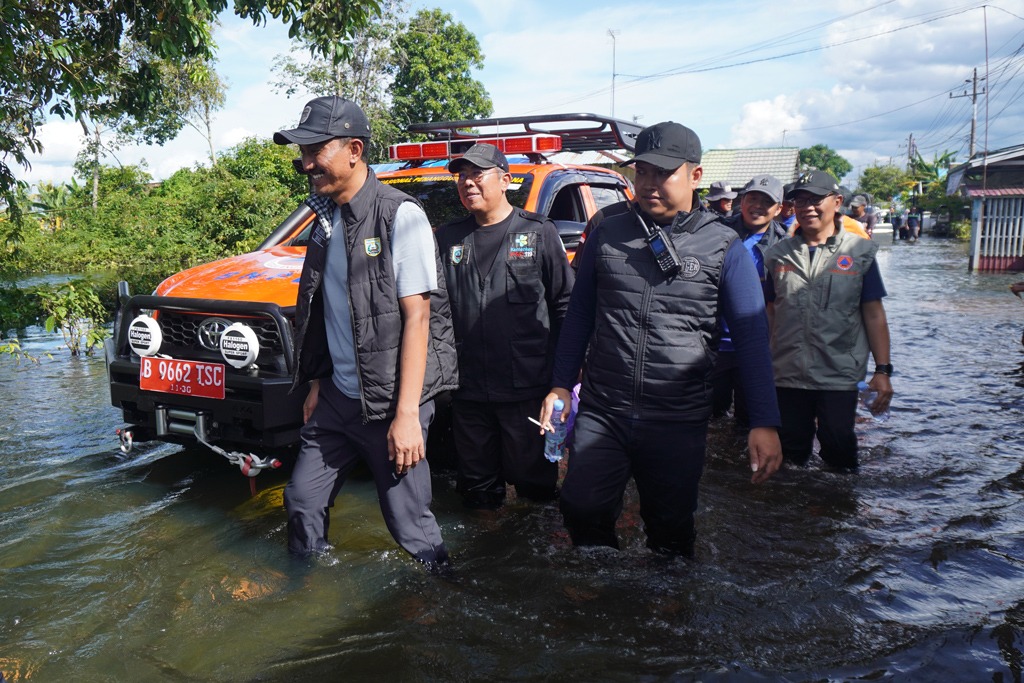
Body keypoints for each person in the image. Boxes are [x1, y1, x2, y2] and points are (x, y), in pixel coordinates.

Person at [539, 121, 783, 557]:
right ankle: (599, 582)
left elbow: (751, 338)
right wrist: (560, 385)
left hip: (677, 418)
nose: (650, 183)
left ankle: (667, 589)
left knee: (670, 530)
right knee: (580, 506)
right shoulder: (607, 232)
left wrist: (763, 421)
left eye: (664, 173)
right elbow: (579, 315)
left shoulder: (723, 246)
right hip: (605, 408)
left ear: (695, 175)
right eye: (643, 171)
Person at [275, 95, 459, 568]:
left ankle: (441, 594)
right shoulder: (325, 218)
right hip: (337, 399)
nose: (306, 163)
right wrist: (318, 382)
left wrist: (407, 416)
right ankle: (306, 589)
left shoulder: (401, 215)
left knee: (409, 524)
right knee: (301, 500)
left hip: (392, 401)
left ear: (354, 150)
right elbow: (323, 309)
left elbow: (419, 319)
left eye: (316, 150)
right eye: (303, 152)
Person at [435, 144, 574, 509]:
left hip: (526, 389)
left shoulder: (538, 232)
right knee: (476, 493)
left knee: (536, 492)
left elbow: (566, 307)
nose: (467, 183)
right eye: (462, 176)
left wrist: (562, 382)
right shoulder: (448, 238)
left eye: (477, 174)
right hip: (467, 391)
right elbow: (435, 313)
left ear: (505, 180)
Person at [765, 170, 894, 470]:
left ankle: (841, 498)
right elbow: (770, 311)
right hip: (787, 372)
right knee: (790, 452)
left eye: (815, 199)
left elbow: (874, 313)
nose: (807, 207)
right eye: (800, 200)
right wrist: (763, 365)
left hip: (839, 372)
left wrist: (883, 370)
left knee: (838, 443)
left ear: (836, 202)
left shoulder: (858, 252)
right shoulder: (777, 255)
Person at [713, 174, 790, 426]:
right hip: (715, 343)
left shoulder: (785, 246)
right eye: (753, 199)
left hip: (757, 347)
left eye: (766, 202)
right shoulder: (716, 233)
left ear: (778, 209)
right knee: (711, 416)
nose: (757, 206)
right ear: (742, 201)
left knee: (750, 420)